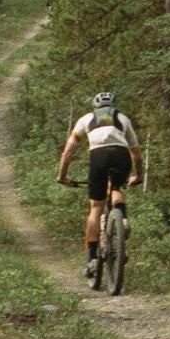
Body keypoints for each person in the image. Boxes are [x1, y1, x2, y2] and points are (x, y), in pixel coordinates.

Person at [57, 91, 143, 276]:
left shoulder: (86, 119)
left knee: (96, 207)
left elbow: (68, 153)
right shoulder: (122, 119)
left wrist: (62, 176)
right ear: (113, 105)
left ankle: (92, 260)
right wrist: (139, 175)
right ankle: (123, 221)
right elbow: (136, 153)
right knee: (116, 188)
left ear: (95, 107)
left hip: (99, 157)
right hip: (121, 156)